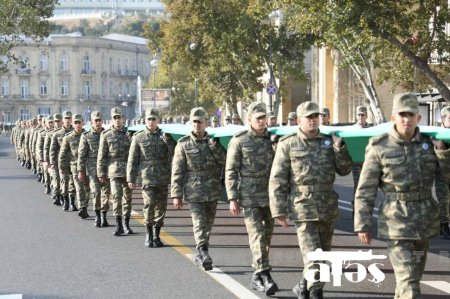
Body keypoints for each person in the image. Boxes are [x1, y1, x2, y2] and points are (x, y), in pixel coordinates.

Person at [355, 93, 450, 299]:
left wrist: (442, 153)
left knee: (411, 278)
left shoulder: (431, 145)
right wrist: (362, 223)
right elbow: (365, 189)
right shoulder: (379, 146)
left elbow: (447, 178)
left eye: (411, 114)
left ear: (419, 118)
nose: (406, 119)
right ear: (393, 117)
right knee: (409, 284)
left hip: (424, 222)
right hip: (395, 223)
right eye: (402, 114)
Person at [269, 101, 352, 299]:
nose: (314, 120)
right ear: (299, 120)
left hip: (327, 206)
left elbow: (345, 169)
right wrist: (278, 209)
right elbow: (277, 178)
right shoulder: (288, 143)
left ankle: (304, 286)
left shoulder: (329, 141)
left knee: (323, 254)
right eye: (309, 117)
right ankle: (316, 291)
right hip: (303, 206)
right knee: (312, 255)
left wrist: (339, 148)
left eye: (316, 116)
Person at [226, 102, 278, 295]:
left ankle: (256, 275)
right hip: (248, 194)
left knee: (267, 235)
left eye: (264, 118)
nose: (263, 121)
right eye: (258, 118)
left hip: (270, 195)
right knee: (256, 234)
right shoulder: (239, 141)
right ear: (250, 120)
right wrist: (232, 197)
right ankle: (265, 274)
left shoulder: (273, 140)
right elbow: (231, 170)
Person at [171, 107, 226, 271]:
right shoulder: (183, 144)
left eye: (199, 121)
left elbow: (225, 162)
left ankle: (201, 252)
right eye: (194, 121)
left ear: (205, 123)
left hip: (212, 189)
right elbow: (177, 170)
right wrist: (176, 194)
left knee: (208, 223)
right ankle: (203, 251)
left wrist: (215, 147)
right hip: (194, 189)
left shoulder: (215, 141)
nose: (196, 124)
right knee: (199, 222)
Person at [127, 108, 175, 248]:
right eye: (149, 119)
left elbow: (174, 153)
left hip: (162, 176)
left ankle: (157, 234)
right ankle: (149, 234)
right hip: (146, 177)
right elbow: (132, 159)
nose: (151, 122)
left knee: (161, 207)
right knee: (149, 205)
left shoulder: (165, 135)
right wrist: (131, 178)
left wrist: (168, 141)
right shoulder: (138, 137)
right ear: (145, 120)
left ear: (158, 120)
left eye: (154, 119)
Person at [97, 107, 133, 236]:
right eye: (115, 118)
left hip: (127, 171)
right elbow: (102, 156)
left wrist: (134, 173)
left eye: (119, 117)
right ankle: (119, 225)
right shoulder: (106, 135)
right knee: (117, 196)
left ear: (123, 119)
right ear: (112, 119)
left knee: (127, 198)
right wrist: (101, 173)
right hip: (113, 170)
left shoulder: (129, 135)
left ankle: (126, 224)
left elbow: (134, 155)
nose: (117, 120)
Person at [78, 111, 111, 228]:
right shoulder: (86, 136)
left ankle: (104, 215)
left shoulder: (107, 134)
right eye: (95, 120)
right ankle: (97, 215)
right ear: (91, 122)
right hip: (92, 169)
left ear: (102, 121)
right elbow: (82, 155)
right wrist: (81, 171)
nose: (97, 122)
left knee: (106, 194)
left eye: (99, 120)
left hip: (106, 168)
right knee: (96, 192)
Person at [59, 114, 89, 219]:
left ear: (83, 123)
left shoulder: (88, 135)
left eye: (79, 122)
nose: (77, 125)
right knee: (79, 187)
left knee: (87, 188)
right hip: (74, 165)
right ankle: (82, 208)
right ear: (73, 124)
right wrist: (62, 166)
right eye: (75, 123)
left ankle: (84, 204)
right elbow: (63, 152)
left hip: (89, 165)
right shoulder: (68, 137)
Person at [50, 111, 76, 211]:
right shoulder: (57, 134)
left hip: (73, 162)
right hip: (62, 162)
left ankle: (72, 203)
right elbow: (53, 149)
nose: (68, 120)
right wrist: (52, 161)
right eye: (66, 118)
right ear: (63, 120)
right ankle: (65, 201)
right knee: (64, 182)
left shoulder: (77, 132)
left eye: (69, 118)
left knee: (72, 183)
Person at [351, 105, 372, 217]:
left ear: (366, 116)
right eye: (358, 115)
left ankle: (366, 210)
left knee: (368, 187)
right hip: (356, 163)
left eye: (362, 115)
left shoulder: (371, 130)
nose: (360, 117)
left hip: (369, 163)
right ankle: (356, 209)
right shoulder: (352, 130)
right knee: (357, 186)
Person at [434, 105, 450, 239]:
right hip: (441, 174)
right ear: (443, 119)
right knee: (444, 200)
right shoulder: (437, 135)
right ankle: (444, 225)